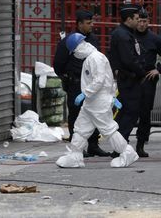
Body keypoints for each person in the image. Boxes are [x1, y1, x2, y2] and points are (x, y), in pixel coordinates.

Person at [56, 33, 139, 168]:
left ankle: (127, 152)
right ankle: (75, 156)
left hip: (98, 102)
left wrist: (84, 94)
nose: (75, 55)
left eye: (74, 52)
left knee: (108, 129)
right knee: (81, 128)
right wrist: (112, 97)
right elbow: (108, 79)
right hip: (92, 102)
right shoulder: (92, 58)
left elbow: (99, 80)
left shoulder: (95, 58)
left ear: (79, 48)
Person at [53, 10, 110, 157]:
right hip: (76, 84)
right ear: (79, 24)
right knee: (76, 115)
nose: (91, 25)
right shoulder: (69, 41)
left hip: (92, 84)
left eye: (92, 22)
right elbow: (58, 65)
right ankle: (77, 146)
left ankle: (93, 145)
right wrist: (67, 79)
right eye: (88, 23)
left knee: (94, 113)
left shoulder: (93, 39)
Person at [108, 4, 146, 156]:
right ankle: (119, 147)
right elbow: (128, 59)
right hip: (129, 80)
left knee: (126, 114)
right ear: (128, 19)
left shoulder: (127, 33)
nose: (139, 22)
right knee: (129, 114)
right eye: (136, 19)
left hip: (130, 80)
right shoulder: (123, 35)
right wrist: (141, 71)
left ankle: (119, 146)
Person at [133, 8, 161, 157]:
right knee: (128, 112)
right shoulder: (129, 36)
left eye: (145, 21)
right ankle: (121, 144)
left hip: (148, 79)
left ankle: (141, 144)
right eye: (139, 21)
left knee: (144, 113)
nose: (142, 24)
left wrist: (158, 70)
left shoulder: (154, 39)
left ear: (149, 22)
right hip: (131, 79)